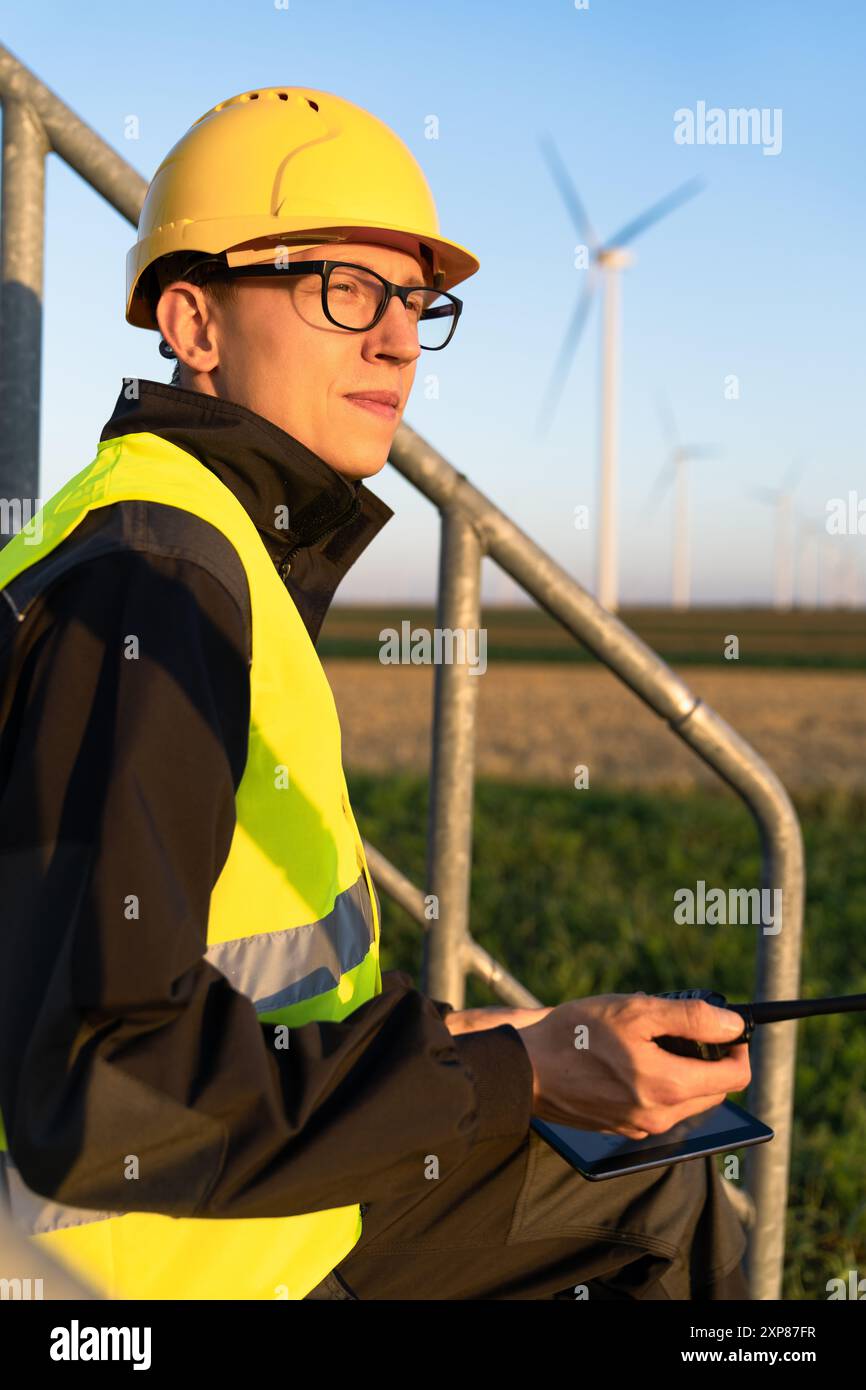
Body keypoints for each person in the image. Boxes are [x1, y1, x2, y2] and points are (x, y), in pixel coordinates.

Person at [0, 86, 751, 1301]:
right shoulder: (152, 585)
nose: (398, 339)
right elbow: (98, 1086)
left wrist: (474, 1046)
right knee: (653, 1207)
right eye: (342, 290)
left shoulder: (201, 549)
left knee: (650, 1177)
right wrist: (522, 1076)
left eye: (412, 301)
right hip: (165, 1268)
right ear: (193, 318)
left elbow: (218, 984)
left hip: (256, 1204)